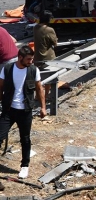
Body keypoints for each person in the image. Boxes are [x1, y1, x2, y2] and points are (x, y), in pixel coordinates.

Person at [0, 45, 47, 179]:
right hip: (9, 110)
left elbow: (39, 89)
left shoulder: (33, 70)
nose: (31, 61)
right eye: (28, 59)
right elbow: (0, 86)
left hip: (25, 111)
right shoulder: (7, 69)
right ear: (20, 57)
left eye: (32, 59)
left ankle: (24, 166)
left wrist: (43, 107)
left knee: (25, 139)